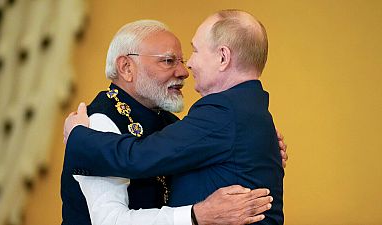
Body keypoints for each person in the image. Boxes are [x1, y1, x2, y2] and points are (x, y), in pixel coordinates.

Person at [64, 9, 286, 225]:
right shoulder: (98, 122)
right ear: (126, 67)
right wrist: (196, 215)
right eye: (169, 61)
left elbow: (141, 156)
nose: (185, 69)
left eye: (191, 54)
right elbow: (110, 221)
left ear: (223, 57)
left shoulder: (213, 114)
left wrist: (77, 136)